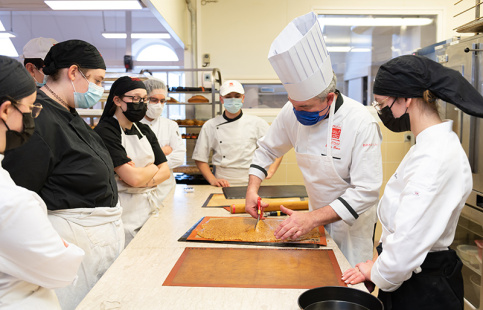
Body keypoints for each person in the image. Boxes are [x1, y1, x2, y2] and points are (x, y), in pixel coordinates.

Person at [341, 55, 483, 310]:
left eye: (383, 103)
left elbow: (408, 241)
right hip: (412, 279)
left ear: (406, 99)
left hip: (425, 291)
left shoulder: (435, 156)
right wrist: (377, 265)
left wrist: (377, 272)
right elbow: (401, 225)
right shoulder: (425, 146)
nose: (383, 112)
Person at [245, 12, 383, 267]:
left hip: (350, 225)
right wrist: (252, 189)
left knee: (347, 282)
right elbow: (266, 150)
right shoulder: (292, 111)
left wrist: (312, 218)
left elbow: (366, 190)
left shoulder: (360, 121)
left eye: (306, 107)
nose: (298, 112)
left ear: (329, 98)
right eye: (294, 105)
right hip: (312, 218)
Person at [2, 40, 125, 310]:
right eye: (96, 80)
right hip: (66, 244)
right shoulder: (40, 119)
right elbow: (22, 193)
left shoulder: (67, 112)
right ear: (73, 73)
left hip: (88, 243)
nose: (99, 89)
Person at [0, 55, 84, 309]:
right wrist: (63, 244)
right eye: (30, 108)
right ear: (5, 109)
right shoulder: (11, 201)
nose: (32, 118)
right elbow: (59, 269)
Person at [95, 76, 170, 246]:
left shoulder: (144, 130)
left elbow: (165, 171)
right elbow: (133, 178)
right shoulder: (106, 131)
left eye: (144, 99)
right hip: (123, 211)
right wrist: (151, 169)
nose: (141, 103)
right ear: (117, 100)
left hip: (148, 207)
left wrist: (141, 178)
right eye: (135, 98)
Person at [192, 80, 282, 187]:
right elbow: (200, 158)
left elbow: (277, 148)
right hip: (222, 182)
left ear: (243, 98)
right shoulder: (210, 125)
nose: (233, 100)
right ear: (221, 99)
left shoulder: (257, 123)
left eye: (237, 96)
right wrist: (213, 180)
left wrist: (271, 170)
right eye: (228, 96)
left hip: (251, 181)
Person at [141, 78, 186, 201]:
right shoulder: (132, 124)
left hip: (165, 190)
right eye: (154, 100)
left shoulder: (170, 125)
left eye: (162, 101)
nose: (158, 105)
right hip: (139, 191)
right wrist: (163, 152)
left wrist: (149, 164)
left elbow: (179, 157)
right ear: (144, 99)